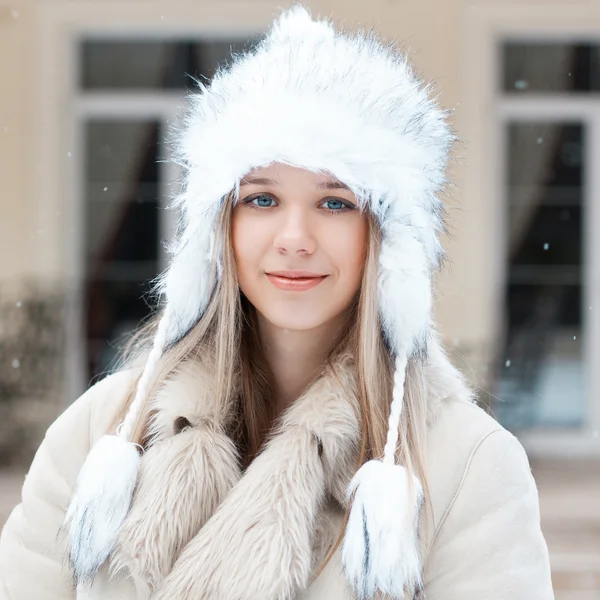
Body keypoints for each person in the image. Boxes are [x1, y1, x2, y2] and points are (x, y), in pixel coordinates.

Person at [0, 5, 554, 600]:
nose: (294, 238)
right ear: (220, 229)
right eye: (262, 200)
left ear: (387, 241)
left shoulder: (465, 465)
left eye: (336, 202)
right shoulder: (102, 432)